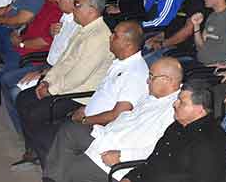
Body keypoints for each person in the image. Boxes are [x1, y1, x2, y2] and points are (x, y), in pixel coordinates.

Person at [11, 0, 115, 171]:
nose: (73, 9)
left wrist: (50, 90)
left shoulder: (99, 36)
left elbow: (79, 75)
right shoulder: (85, 29)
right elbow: (64, 62)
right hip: (63, 86)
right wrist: (46, 81)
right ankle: (34, 149)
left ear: (92, 10)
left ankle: (45, 159)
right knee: (23, 98)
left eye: (77, 5)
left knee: (35, 112)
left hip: (79, 95)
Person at [43, 57, 184, 182]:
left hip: (120, 158)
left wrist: (122, 156)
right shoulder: (153, 96)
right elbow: (126, 119)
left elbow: (159, 150)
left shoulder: (177, 109)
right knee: (70, 130)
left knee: (71, 169)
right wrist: (100, 129)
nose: (147, 81)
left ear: (167, 80)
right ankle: (51, 178)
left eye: (151, 76)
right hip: (106, 138)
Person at [118, 81, 226, 182]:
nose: (174, 104)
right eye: (177, 99)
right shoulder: (177, 126)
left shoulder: (209, 144)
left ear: (200, 110)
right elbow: (153, 162)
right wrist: (130, 178)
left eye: (182, 102)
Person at [144, 0, 209, 64]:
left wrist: (162, 44)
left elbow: (187, 31)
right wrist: (159, 37)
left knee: (144, 62)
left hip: (181, 49)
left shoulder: (200, 1)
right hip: (170, 41)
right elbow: (176, 24)